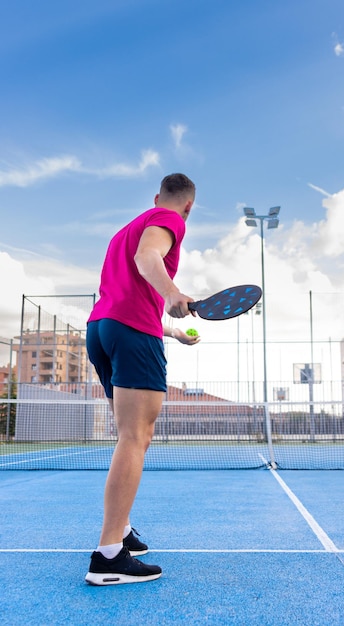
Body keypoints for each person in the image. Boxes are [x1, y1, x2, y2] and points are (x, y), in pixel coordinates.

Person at [85, 173, 199, 585]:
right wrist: (173, 293)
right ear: (187, 205)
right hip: (130, 333)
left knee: (127, 436)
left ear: (156, 196)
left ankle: (124, 532)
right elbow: (148, 260)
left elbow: (129, 292)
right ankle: (109, 555)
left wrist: (170, 330)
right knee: (136, 437)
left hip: (102, 329)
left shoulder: (123, 232)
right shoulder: (171, 221)